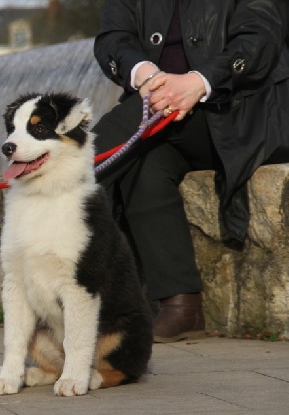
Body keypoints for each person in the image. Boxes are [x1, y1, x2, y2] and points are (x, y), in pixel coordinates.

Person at [92, 0, 289, 343]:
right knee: (144, 165)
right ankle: (181, 304)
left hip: (245, 110)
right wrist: (147, 75)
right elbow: (113, 39)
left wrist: (199, 82)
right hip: (159, 110)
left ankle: (51, 186)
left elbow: (260, 38)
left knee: (122, 133)